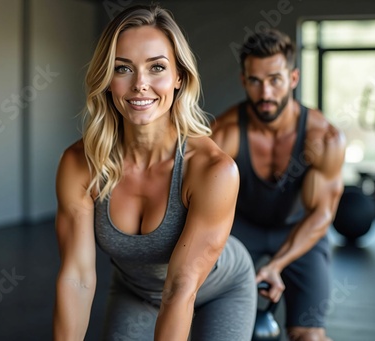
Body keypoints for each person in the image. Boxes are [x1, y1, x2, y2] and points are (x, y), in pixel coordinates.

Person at [53, 4, 257, 341]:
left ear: (179, 77)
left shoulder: (212, 170)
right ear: (106, 79)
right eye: (123, 69)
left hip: (220, 290)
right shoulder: (80, 164)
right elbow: (77, 276)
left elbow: (180, 288)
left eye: (157, 67)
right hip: (136, 291)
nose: (140, 85)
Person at [211, 28, 346, 341]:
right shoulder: (223, 134)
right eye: (255, 81)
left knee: (309, 333)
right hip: (237, 229)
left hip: (298, 228)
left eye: (275, 80)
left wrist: (278, 264)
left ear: (293, 79)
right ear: (244, 81)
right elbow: (198, 203)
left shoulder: (323, 138)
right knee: (215, 324)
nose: (266, 94)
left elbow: (322, 214)